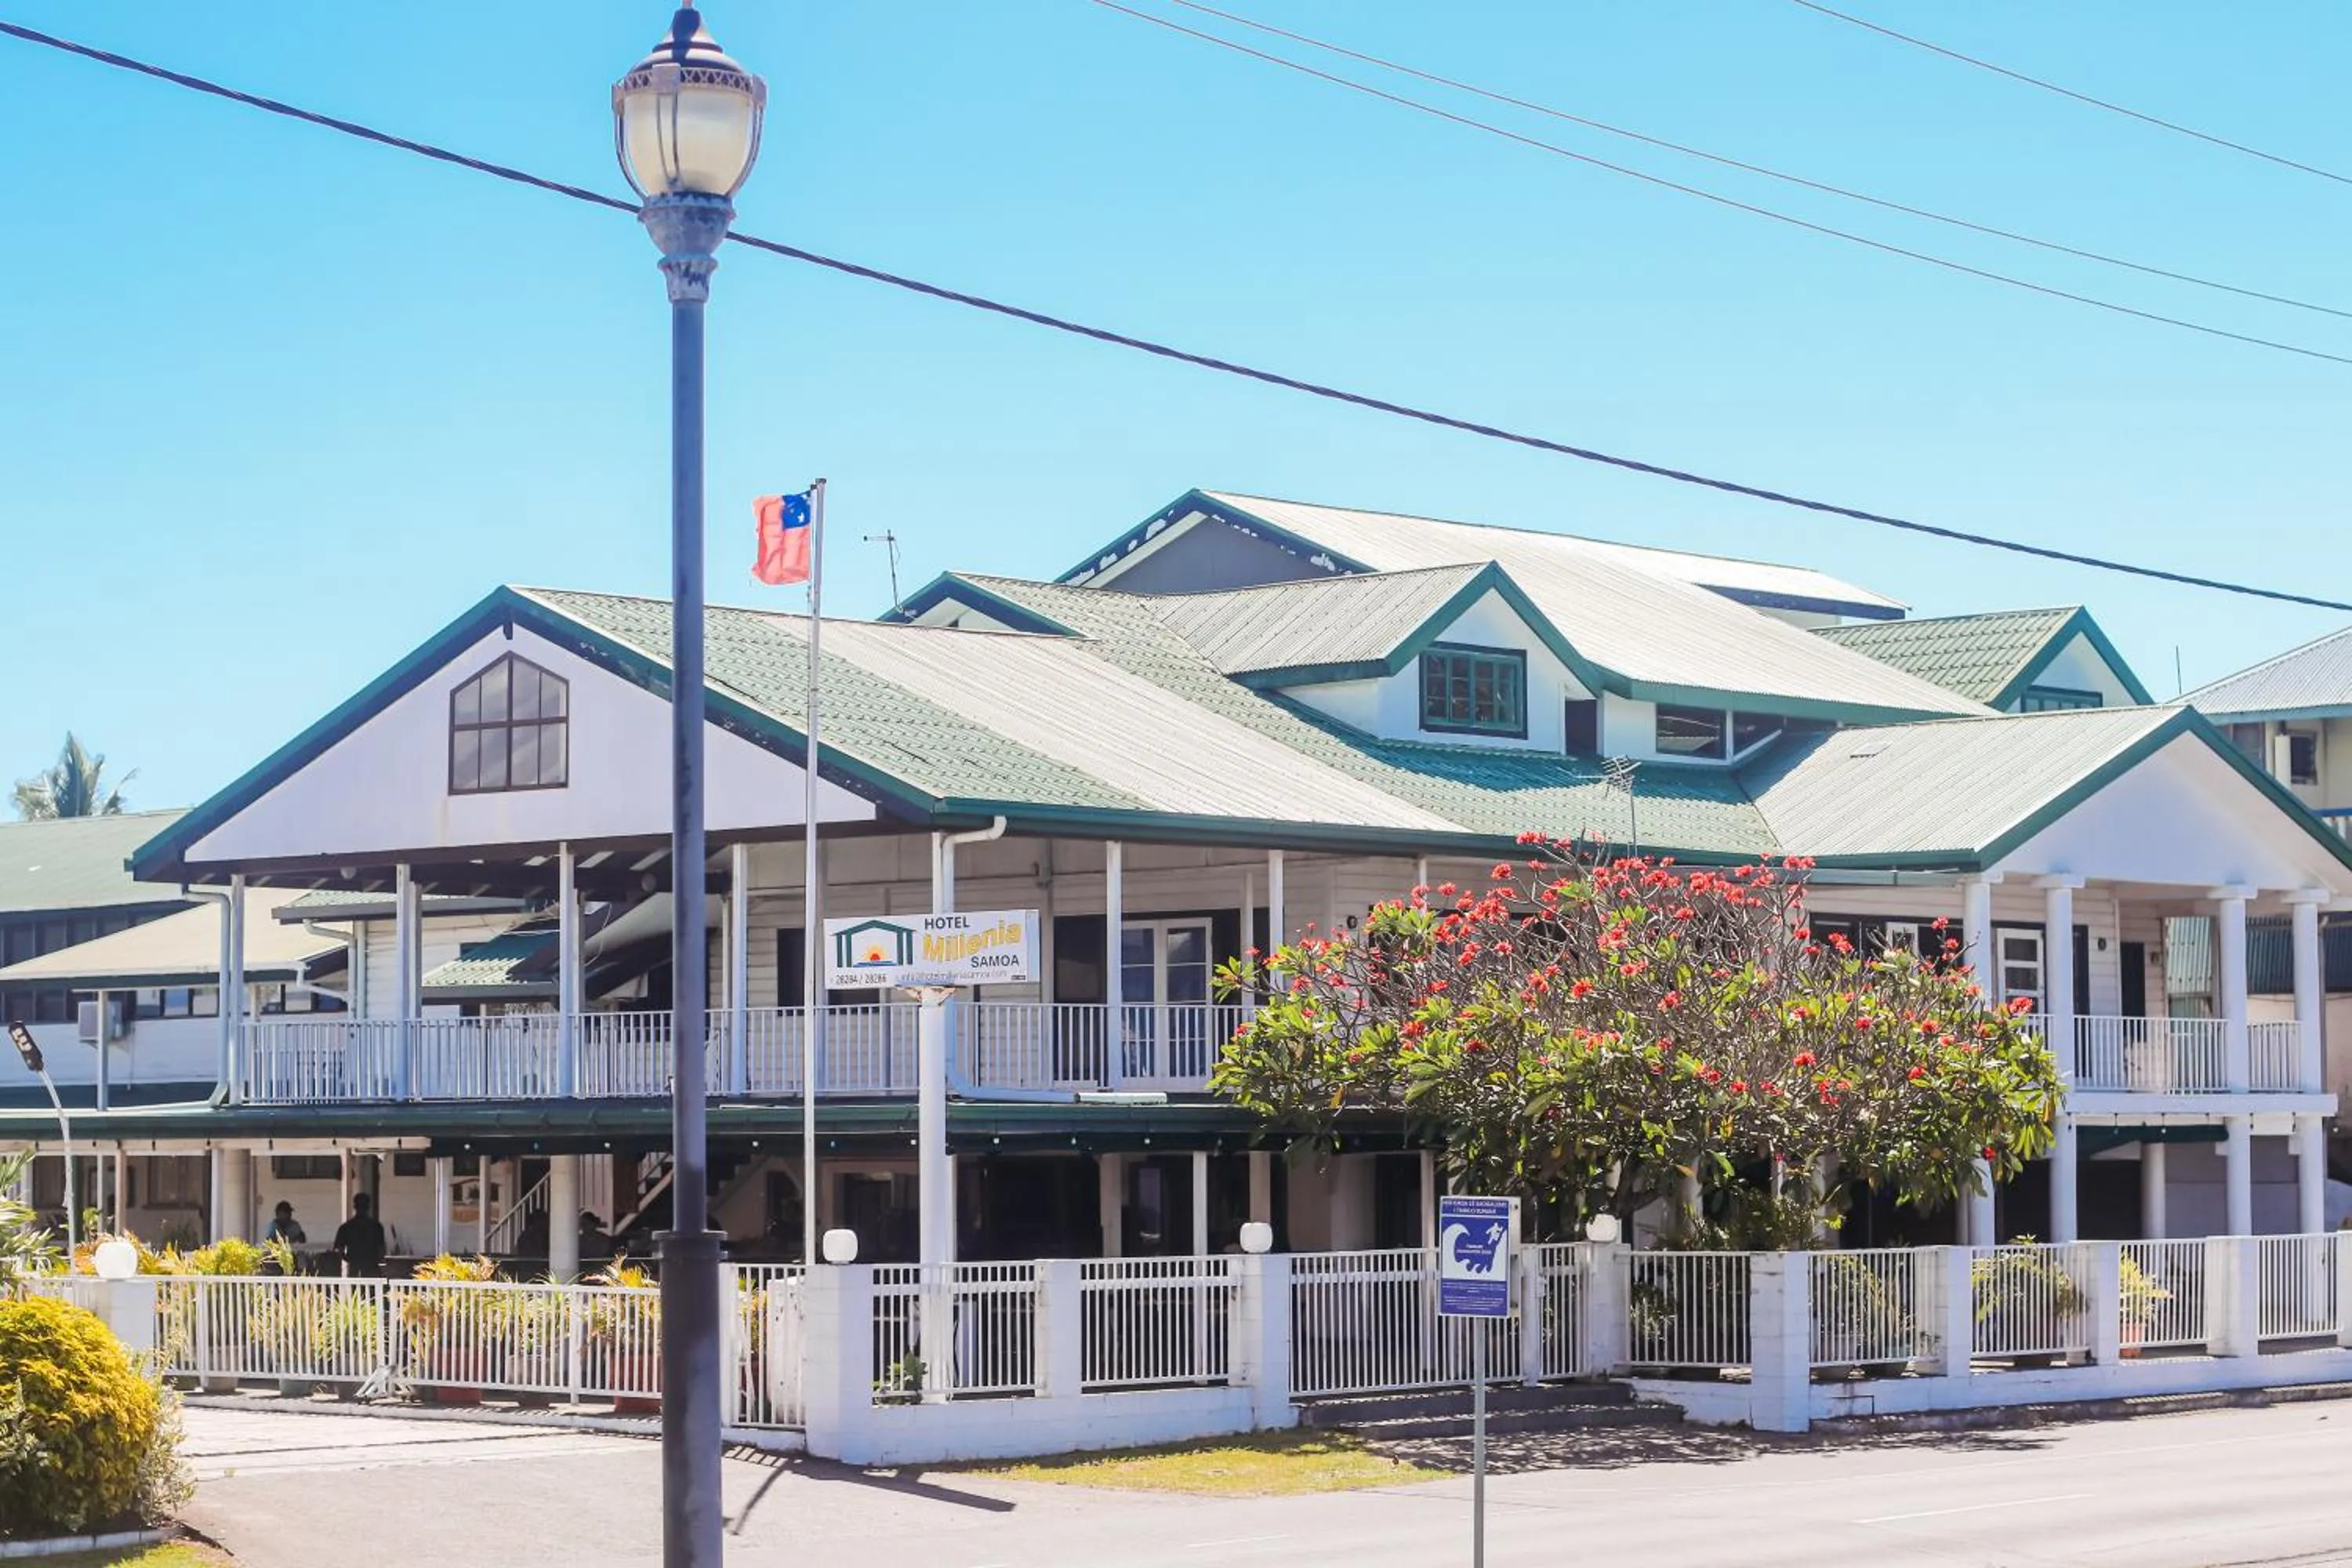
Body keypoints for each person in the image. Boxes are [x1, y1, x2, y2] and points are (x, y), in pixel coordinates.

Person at [332, 1192, 388, 1278]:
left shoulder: (346, 1227)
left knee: (355, 1290)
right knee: (371, 1289)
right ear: (368, 1207)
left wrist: (348, 1259)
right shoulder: (376, 1226)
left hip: (356, 1266)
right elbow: (382, 1250)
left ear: (355, 1207)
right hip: (370, 1267)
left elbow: (339, 1250)